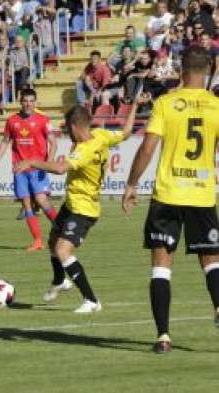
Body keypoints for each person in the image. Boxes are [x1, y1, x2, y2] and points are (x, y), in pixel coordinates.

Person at [122, 46, 219, 354]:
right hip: (201, 195)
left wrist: (131, 184)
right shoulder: (216, 106)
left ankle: (163, 336)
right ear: (207, 71)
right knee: (212, 264)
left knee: (161, 268)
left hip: (167, 194)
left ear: (181, 69)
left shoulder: (166, 103)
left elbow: (148, 148)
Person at [16, 93, 150, 313]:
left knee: (62, 250)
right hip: (71, 204)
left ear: (76, 127)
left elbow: (60, 169)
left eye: (68, 128)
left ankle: (91, 301)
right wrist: (134, 104)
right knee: (52, 242)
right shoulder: (101, 135)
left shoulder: (84, 150)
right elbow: (126, 133)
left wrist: (31, 162)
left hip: (83, 208)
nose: (67, 133)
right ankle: (60, 281)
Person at [0, 88, 57, 251]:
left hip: (37, 168)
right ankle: (37, 241)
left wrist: (49, 161)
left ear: (35, 102)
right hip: (19, 169)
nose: (28, 104)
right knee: (27, 204)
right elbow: (5, 142)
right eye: (25, 101)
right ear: (20, 101)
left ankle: (61, 231)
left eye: (31, 101)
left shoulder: (43, 120)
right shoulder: (11, 121)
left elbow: (53, 142)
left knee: (42, 200)